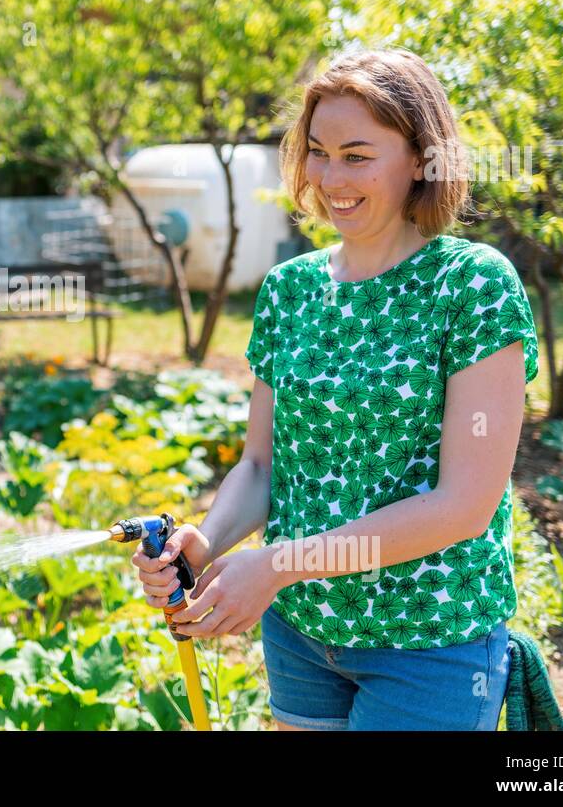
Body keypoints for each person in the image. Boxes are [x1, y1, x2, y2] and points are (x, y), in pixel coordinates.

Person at [132, 48, 539, 730]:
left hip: (430, 641)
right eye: (318, 152)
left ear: (420, 159)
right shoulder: (289, 290)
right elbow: (262, 465)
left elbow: (464, 505)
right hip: (302, 635)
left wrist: (280, 565)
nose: (330, 177)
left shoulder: (471, 285)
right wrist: (208, 542)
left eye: (357, 155)